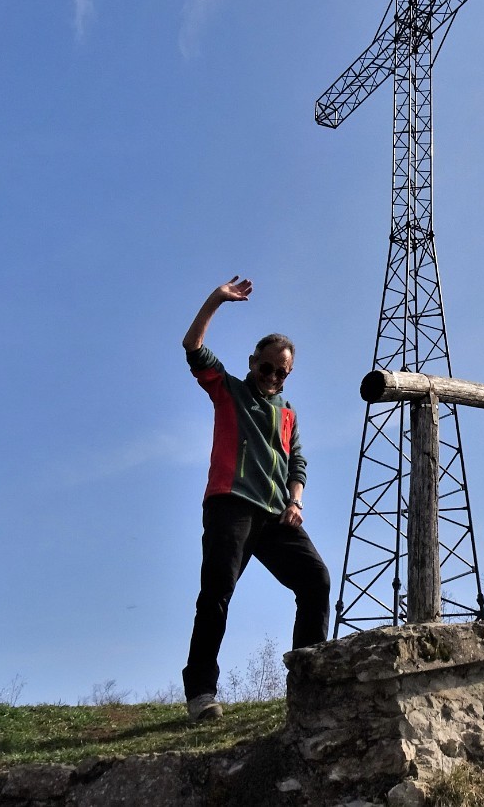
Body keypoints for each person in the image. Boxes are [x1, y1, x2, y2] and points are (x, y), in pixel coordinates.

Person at [180, 276, 330, 722]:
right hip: (230, 504)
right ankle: (201, 695)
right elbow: (192, 346)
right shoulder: (229, 389)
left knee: (316, 580)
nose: (271, 377)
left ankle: (310, 683)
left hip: (276, 516)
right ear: (253, 363)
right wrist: (215, 300)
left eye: (280, 372)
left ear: (289, 375)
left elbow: (297, 462)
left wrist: (296, 502)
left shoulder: (288, 413)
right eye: (266, 368)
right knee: (217, 594)